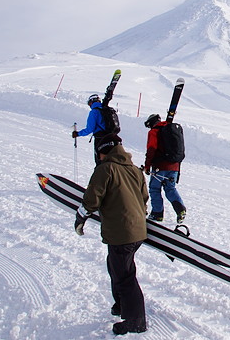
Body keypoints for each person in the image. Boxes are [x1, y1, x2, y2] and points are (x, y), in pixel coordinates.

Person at [74, 133, 149, 335]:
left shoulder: (106, 168)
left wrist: (81, 216)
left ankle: (136, 320)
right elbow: (144, 197)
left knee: (124, 275)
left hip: (121, 232)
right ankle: (121, 306)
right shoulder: (135, 170)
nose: (98, 157)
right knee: (116, 267)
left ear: (104, 151)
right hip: (138, 230)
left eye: (99, 153)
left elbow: (92, 197)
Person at [143, 113, 187, 223]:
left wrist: (147, 166)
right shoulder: (170, 129)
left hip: (160, 166)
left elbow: (151, 149)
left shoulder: (154, 131)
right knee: (170, 188)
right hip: (175, 166)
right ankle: (180, 209)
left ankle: (157, 214)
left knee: (154, 188)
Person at [72, 93, 107, 165]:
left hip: (100, 139)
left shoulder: (94, 112)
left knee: (100, 163)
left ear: (91, 102)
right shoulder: (107, 110)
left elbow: (90, 129)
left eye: (89, 104)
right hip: (111, 137)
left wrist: (78, 134)